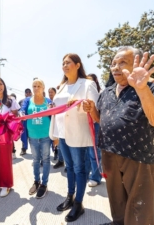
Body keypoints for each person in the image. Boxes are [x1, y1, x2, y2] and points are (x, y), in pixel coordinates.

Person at [83, 47, 154, 225]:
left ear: (136, 64)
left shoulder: (151, 88)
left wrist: (142, 88)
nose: (115, 67)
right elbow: (101, 119)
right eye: (113, 63)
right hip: (109, 152)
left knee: (139, 204)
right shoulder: (106, 92)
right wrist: (92, 110)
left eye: (122, 62)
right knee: (116, 198)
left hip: (137, 156)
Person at [49, 53, 99, 222]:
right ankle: (70, 196)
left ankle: (79, 203)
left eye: (68, 62)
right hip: (62, 133)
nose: (65, 65)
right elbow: (57, 109)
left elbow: (95, 111)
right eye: (63, 63)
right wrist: (55, 133)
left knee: (80, 169)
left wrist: (85, 105)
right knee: (69, 168)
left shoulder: (88, 84)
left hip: (78, 133)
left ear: (78, 65)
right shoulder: (61, 86)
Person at [20, 79, 52, 199]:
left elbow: (53, 115)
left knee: (46, 159)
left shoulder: (48, 101)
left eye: (39, 86)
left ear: (43, 88)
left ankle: (44, 184)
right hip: (33, 136)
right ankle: (36, 181)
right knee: (35, 160)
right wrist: (21, 113)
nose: (36, 88)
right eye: (34, 86)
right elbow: (22, 110)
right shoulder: (28, 100)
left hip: (45, 136)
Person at [85, 73, 102, 187]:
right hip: (84, 125)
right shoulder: (82, 93)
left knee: (94, 152)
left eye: (91, 81)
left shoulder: (100, 94)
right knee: (86, 153)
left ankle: (96, 176)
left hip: (95, 125)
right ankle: (88, 174)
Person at [18, 88, 32, 156]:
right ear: (25, 94)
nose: (28, 94)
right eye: (27, 92)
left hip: (32, 121)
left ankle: (34, 150)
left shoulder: (33, 100)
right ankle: (23, 149)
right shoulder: (21, 101)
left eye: (29, 92)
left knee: (32, 136)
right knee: (24, 136)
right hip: (24, 122)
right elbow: (18, 110)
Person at [48, 87, 60, 161]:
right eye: (49, 92)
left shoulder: (58, 101)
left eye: (52, 92)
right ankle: (56, 153)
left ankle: (59, 156)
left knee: (57, 140)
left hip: (57, 124)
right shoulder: (48, 103)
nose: (50, 94)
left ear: (55, 93)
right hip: (50, 124)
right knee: (53, 140)